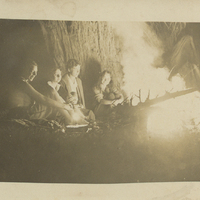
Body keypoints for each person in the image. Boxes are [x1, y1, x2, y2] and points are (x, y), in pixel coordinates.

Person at [6, 59, 74, 125]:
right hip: (22, 113)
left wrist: (64, 105)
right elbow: (42, 98)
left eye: (36, 72)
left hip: (21, 112)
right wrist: (64, 106)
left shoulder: (22, 81)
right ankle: (71, 119)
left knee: (54, 97)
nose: (35, 74)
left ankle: (72, 116)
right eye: (32, 71)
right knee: (52, 94)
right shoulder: (22, 83)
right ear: (25, 69)